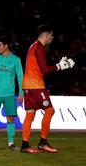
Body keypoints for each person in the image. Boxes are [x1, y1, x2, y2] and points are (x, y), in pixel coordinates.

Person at [20, 24, 75, 153]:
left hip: (28, 85)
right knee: (50, 111)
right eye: (51, 35)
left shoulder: (32, 46)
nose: (52, 37)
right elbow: (44, 70)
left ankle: (25, 145)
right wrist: (60, 66)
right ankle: (43, 143)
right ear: (46, 35)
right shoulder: (39, 48)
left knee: (30, 113)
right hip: (36, 86)